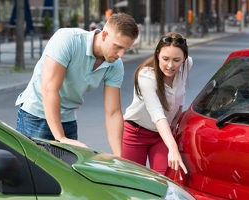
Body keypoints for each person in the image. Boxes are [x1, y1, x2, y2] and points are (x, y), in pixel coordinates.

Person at [15, 13, 139, 157]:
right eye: (118, 47)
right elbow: (49, 90)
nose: (121, 55)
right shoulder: (67, 40)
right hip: (36, 116)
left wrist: (119, 157)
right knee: (34, 176)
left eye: (126, 49)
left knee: (66, 177)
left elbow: (113, 113)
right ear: (104, 35)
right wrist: (61, 138)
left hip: (68, 119)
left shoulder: (115, 65)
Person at [122, 32, 192, 175]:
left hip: (162, 135)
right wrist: (173, 147)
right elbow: (157, 114)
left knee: (163, 181)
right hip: (136, 133)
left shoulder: (187, 65)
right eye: (165, 59)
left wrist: (175, 123)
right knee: (133, 183)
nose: (170, 65)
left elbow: (180, 96)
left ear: (184, 58)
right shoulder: (146, 76)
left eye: (177, 60)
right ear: (157, 54)